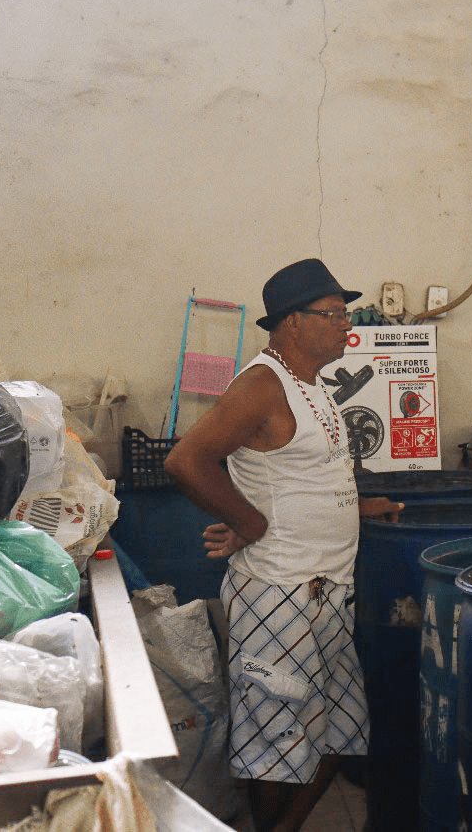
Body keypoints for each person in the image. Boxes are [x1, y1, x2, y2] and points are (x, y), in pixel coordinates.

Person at [164, 258, 402, 832]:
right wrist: (249, 523)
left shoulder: (311, 384)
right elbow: (186, 461)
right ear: (291, 323)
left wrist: (357, 506)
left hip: (326, 590)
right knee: (277, 742)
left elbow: (310, 477)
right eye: (334, 314)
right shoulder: (261, 385)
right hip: (281, 593)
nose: (347, 325)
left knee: (339, 731)